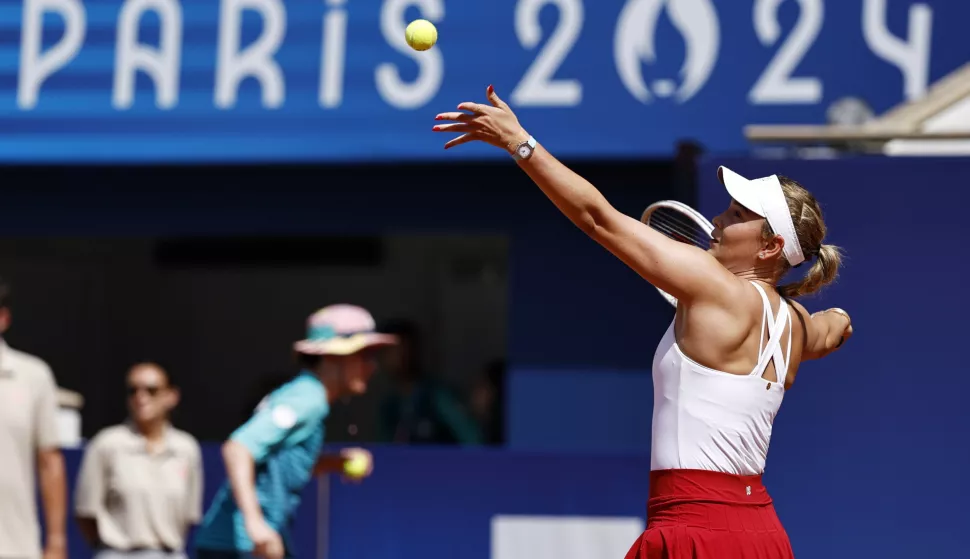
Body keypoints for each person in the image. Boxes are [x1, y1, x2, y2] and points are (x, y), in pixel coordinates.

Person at [432, 86, 853, 558]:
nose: (716, 220)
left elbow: (598, 219)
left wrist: (521, 144)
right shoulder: (797, 325)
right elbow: (833, 330)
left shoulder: (712, 284)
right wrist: (835, 316)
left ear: (770, 247)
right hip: (763, 537)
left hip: (693, 529)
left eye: (736, 215)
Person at [194, 305, 397, 559]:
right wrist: (256, 525)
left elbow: (279, 464)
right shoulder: (308, 398)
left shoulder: (307, 396)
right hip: (238, 548)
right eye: (364, 355)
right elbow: (238, 449)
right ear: (332, 357)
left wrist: (336, 462)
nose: (372, 367)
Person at [74, 362, 203, 559]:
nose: (141, 398)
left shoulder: (186, 448)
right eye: (133, 390)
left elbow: (189, 516)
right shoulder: (107, 444)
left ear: (171, 396)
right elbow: (86, 513)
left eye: (151, 390)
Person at [0, 277, 68, 559]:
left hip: (14, 547)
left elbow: (49, 460)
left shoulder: (33, 376)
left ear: (3, 318)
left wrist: (56, 542)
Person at [377, 319, 482, 445]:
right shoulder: (390, 406)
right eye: (387, 352)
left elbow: (473, 440)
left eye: (402, 348)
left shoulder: (438, 396)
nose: (399, 356)